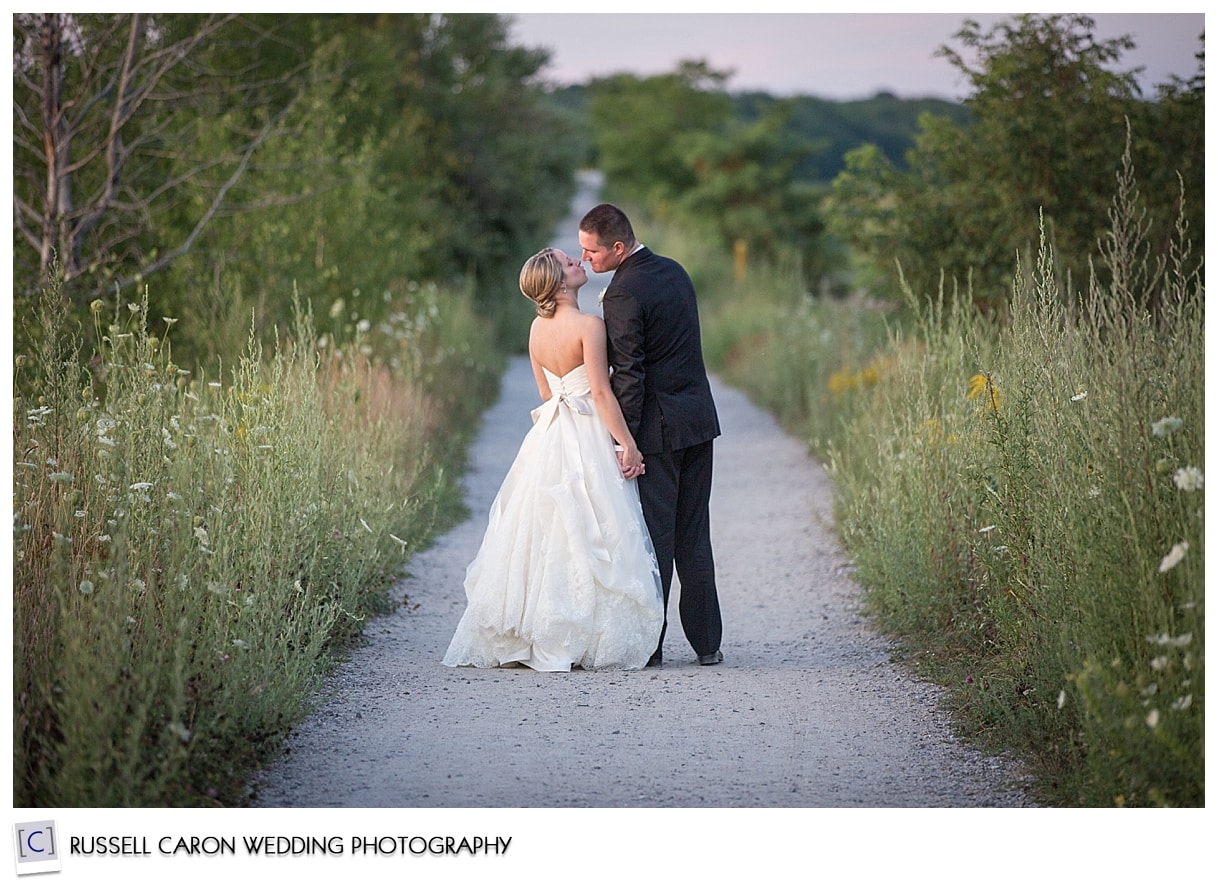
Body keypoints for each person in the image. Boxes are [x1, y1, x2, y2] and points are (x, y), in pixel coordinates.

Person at [442, 248, 664, 672]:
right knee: (593, 525)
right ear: (560, 283)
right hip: (586, 434)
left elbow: (548, 394)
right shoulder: (588, 326)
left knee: (546, 528)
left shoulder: (535, 330)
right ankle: (583, 630)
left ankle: (534, 626)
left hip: (551, 433)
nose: (578, 263)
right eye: (569, 263)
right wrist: (627, 445)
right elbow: (600, 393)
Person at [577, 203, 724, 667]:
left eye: (592, 252)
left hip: (658, 432)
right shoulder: (675, 271)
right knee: (694, 534)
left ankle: (650, 645)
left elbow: (629, 377)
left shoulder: (623, 293)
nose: (585, 260)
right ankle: (707, 644)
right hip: (698, 422)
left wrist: (625, 441)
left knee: (656, 537)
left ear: (617, 247)